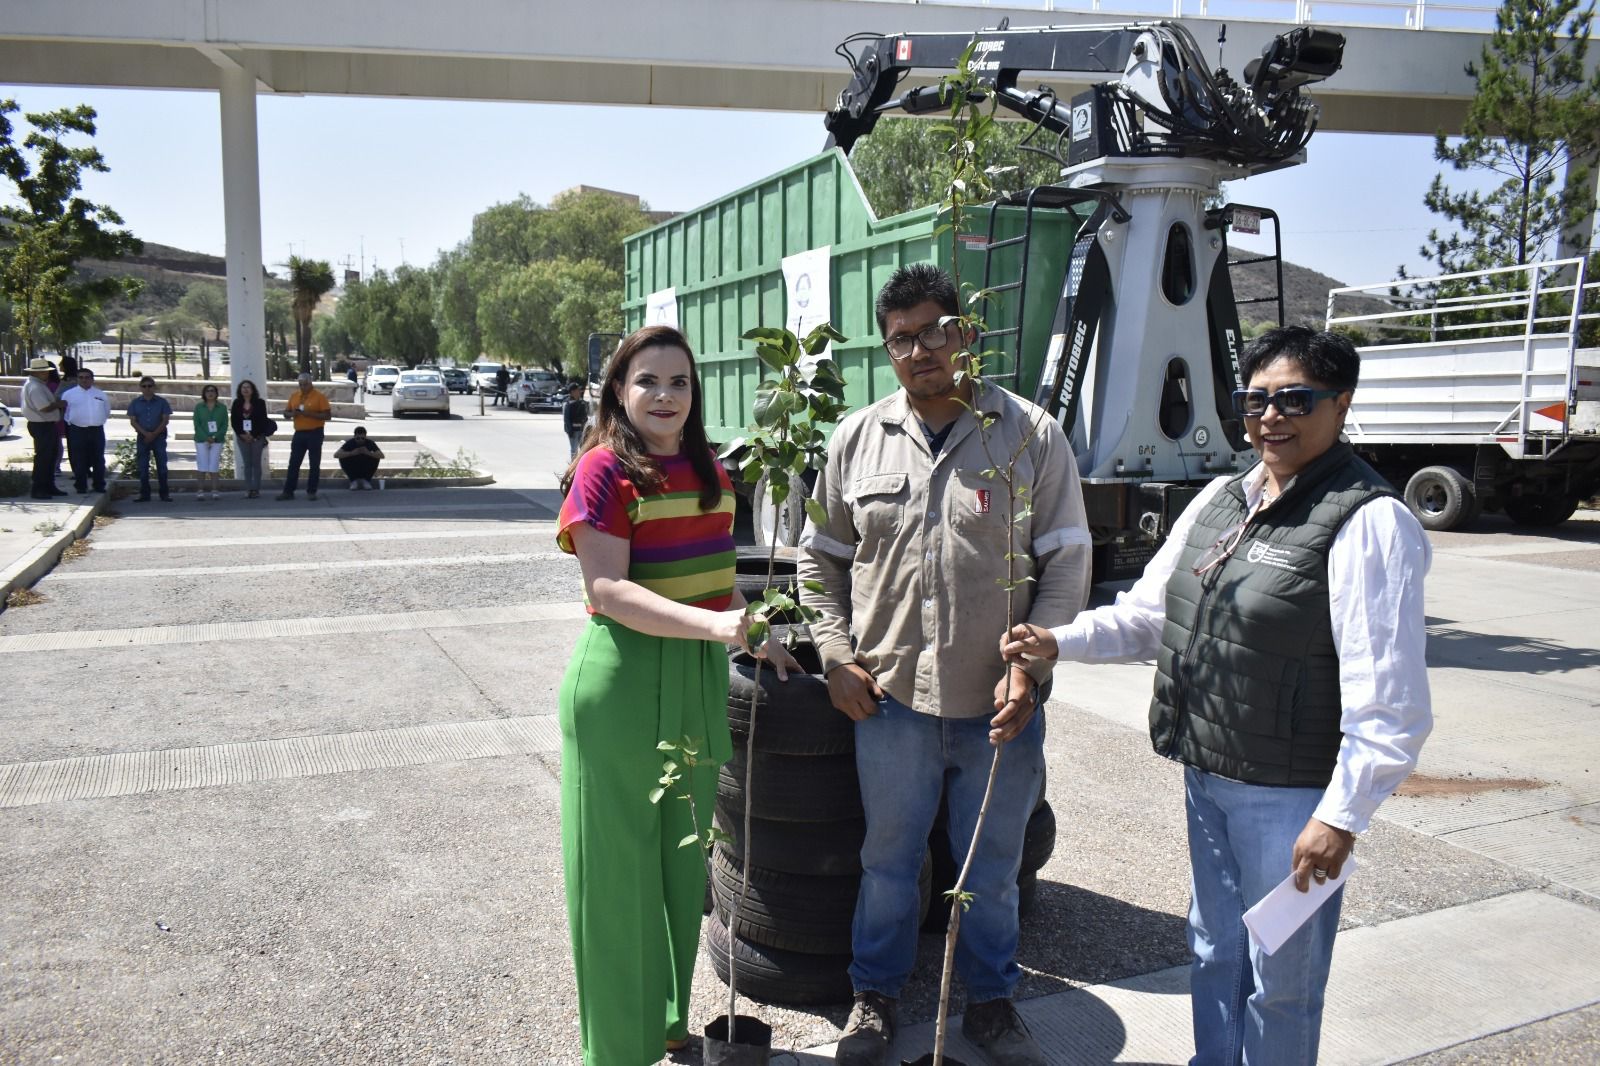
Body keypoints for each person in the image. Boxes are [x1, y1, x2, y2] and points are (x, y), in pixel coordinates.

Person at [1002, 326, 1433, 1066]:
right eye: (1256, 399)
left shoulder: (1369, 521)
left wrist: (1342, 816)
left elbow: (1389, 702)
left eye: (1296, 400)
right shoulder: (1222, 499)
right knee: (1214, 951)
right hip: (1209, 779)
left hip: (1291, 800)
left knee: (1282, 981)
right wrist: (1057, 642)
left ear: (1342, 404)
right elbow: (1149, 617)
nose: (1272, 416)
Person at [797, 264, 1092, 1066]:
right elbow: (818, 562)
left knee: (991, 871)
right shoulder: (856, 441)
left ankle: (993, 1003)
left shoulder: (1029, 435)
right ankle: (876, 998)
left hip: (999, 710)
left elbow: (1067, 564)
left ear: (968, 334)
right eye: (901, 338)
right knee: (888, 864)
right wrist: (832, 655)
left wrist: (1030, 666)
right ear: (886, 350)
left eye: (934, 330)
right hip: (889, 702)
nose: (919, 349)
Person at [555, 324, 799, 1066]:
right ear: (619, 393)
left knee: (680, 867)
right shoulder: (601, 471)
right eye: (648, 382)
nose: (665, 396)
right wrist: (721, 625)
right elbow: (608, 589)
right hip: (622, 683)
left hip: (696, 679)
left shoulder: (714, 475)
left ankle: (667, 1019)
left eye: (680, 383)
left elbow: (717, 576)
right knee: (615, 879)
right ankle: (618, 1051)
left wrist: (757, 631)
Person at [277, 372, 331, 501]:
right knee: (294, 463)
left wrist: (309, 414)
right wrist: (291, 414)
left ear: (310, 383)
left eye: (305, 384)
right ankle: (288, 491)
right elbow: (285, 413)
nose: (303, 387)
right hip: (299, 433)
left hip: (315, 432)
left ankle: (311, 491)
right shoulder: (295, 396)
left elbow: (327, 415)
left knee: (314, 463)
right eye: (300, 384)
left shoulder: (319, 397)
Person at [20, 358, 68, 500]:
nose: (47, 374)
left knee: (50, 456)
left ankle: (49, 486)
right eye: (44, 372)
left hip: (46, 425)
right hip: (41, 425)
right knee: (44, 458)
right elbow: (44, 407)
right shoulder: (35, 387)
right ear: (37, 373)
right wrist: (59, 404)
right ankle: (39, 489)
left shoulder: (38, 385)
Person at [59, 367, 111, 495]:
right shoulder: (69, 394)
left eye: (87, 377)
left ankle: (99, 485)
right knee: (79, 459)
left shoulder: (100, 394)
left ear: (92, 379)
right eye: (81, 377)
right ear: (77, 379)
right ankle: (81, 486)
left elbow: (106, 411)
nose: (84, 380)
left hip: (96, 430)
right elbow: (65, 412)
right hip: (77, 430)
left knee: (98, 459)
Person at [127, 376, 173, 502]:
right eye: (144, 386)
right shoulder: (135, 403)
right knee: (142, 466)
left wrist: (154, 434)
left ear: (154, 387)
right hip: (142, 437)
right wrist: (146, 434)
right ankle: (144, 494)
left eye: (150, 386)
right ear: (140, 388)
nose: (147, 388)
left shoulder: (162, 402)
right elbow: (133, 421)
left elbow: (165, 420)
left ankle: (164, 494)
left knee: (162, 466)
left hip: (159, 436)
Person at [231, 379, 272, 499]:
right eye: (243, 387)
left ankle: (256, 489)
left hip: (257, 438)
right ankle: (248, 488)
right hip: (242, 438)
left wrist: (253, 435)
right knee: (247, 464)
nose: (245, 389)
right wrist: (242, 434)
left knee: (256, 463)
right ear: (240, 390)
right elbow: (234, 421)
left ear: (252, 390)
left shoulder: (260, 403)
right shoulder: (237, 403)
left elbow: (263, 420)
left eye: (248, 387)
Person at [192, 384, 229, 500]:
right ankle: (200, 490)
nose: (210, 393)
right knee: (202, 465)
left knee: (213, 465)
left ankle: (215, 490)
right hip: (201, 440)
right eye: (207, 391)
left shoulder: (222, 408)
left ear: (216, 393)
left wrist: (215, 437)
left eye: (212, 391)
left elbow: (224, 425)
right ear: (204, 393)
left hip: (217, 441)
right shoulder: (199, 407)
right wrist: (206, 437)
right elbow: (196, 425)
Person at [561, 381, 589, 458]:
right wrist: (570, 430)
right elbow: (566, 419)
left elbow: (585, 417)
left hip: (581, 430)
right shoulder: (568, 404)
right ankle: (573, 468)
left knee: (584, 449)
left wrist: (586, 429)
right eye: (577, 390)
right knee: (574, 450)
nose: (579, 392)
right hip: (573, 431)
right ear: (572, 392)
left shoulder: (582, 402)